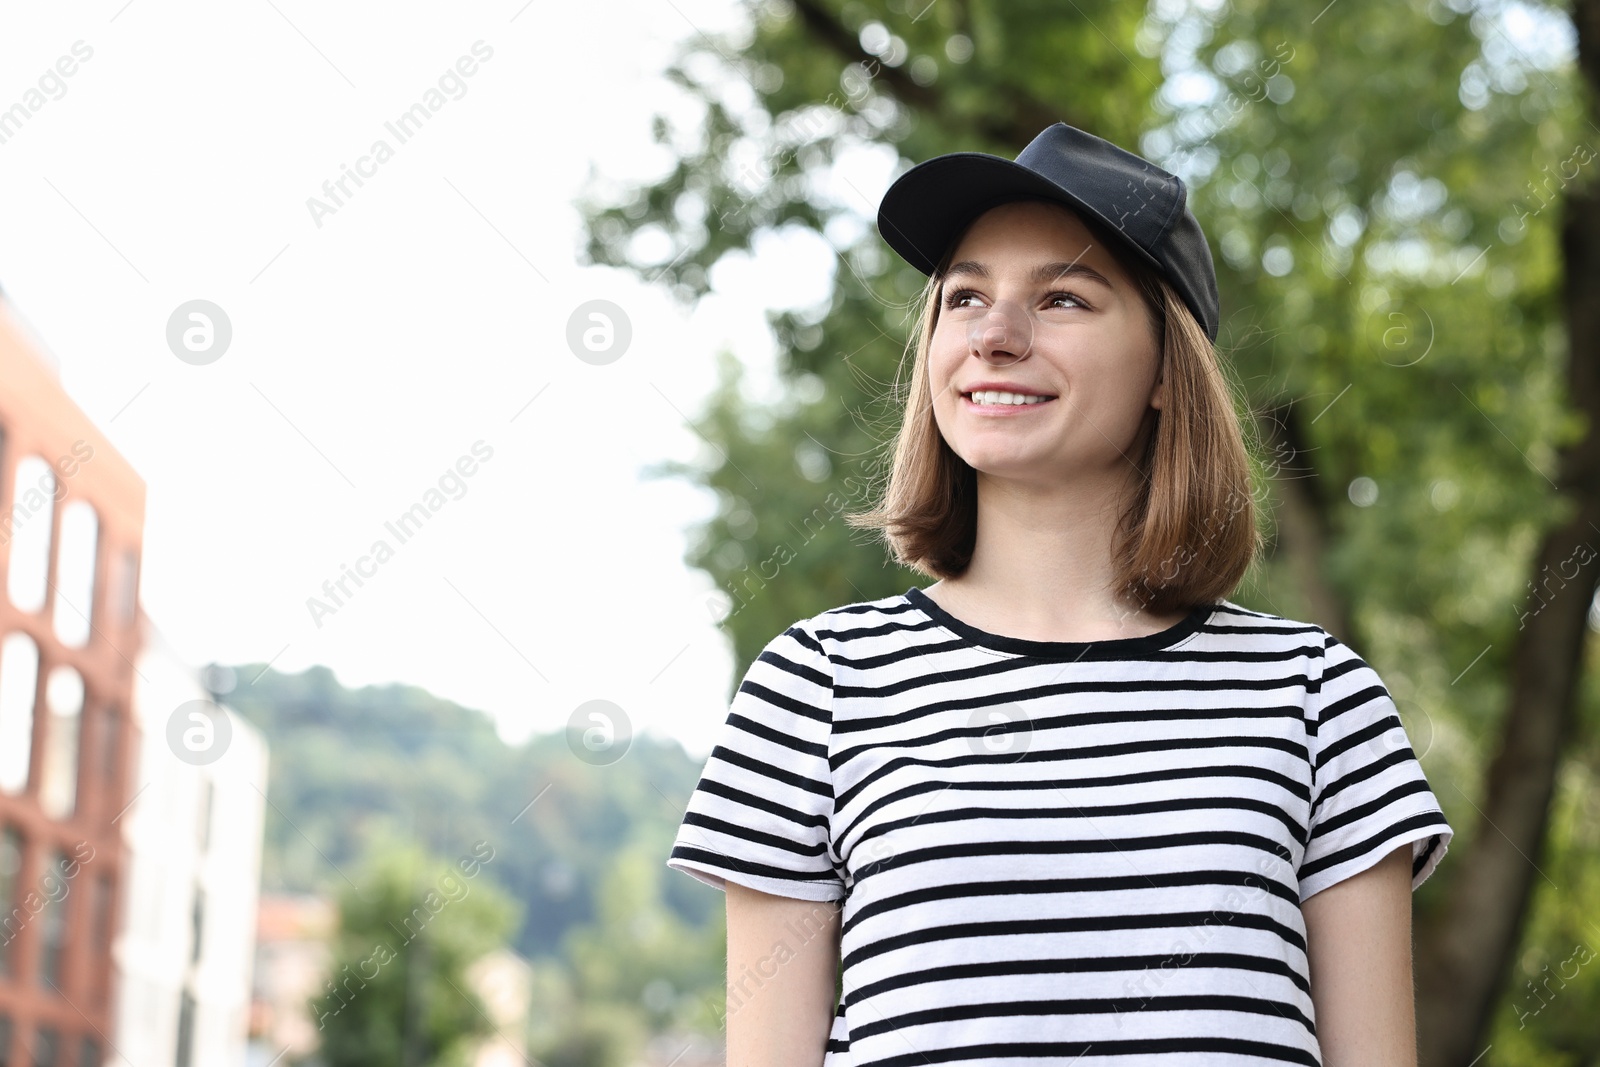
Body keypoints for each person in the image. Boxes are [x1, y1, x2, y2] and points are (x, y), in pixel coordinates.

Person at [666, 122, 1452, 1067]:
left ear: (1167, 367)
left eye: (1063, 297)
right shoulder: (816, 686)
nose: (996, 336)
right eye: (965, 296)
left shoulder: (1319, 697)